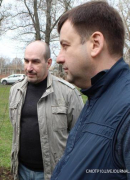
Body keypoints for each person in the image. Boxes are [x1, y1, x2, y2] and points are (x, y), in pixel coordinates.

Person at [51, 1, 130, 180]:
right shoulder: (98, 96)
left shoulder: (126, 108)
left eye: (65, 45)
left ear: (95, 44)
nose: (59, 58)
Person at [9, 40, 84, 180]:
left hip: (54, 173)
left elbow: (81, 139)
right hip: (21, 171)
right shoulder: (15, 91)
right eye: (26, 61)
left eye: (35, 62)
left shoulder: (68, 93)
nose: (29, 68)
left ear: (48, 63)